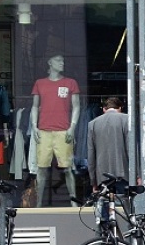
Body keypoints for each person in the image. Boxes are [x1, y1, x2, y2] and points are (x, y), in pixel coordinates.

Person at [30, 54, 81, 206]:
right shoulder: (40, 83)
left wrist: (72, 127)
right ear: (50, 62)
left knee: (67, 168)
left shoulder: (70, 83)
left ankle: (73, 202)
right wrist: (34, 126)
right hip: (44, 130)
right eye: (58, 60)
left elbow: (77, 106)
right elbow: (34, 106)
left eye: (63, 60)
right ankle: (38, 203)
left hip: (63, 130)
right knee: (41, 169)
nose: (62, 63)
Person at [87, 96, 129, 187]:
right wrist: (138, 175)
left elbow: (91, 154)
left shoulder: (93, 124)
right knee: (122, 200)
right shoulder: (127, 119)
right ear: (120, 108)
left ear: (104, 109)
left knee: (106, 200)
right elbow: (131, 149)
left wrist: (93, 180)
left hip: (102, 176)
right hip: (123, 174)